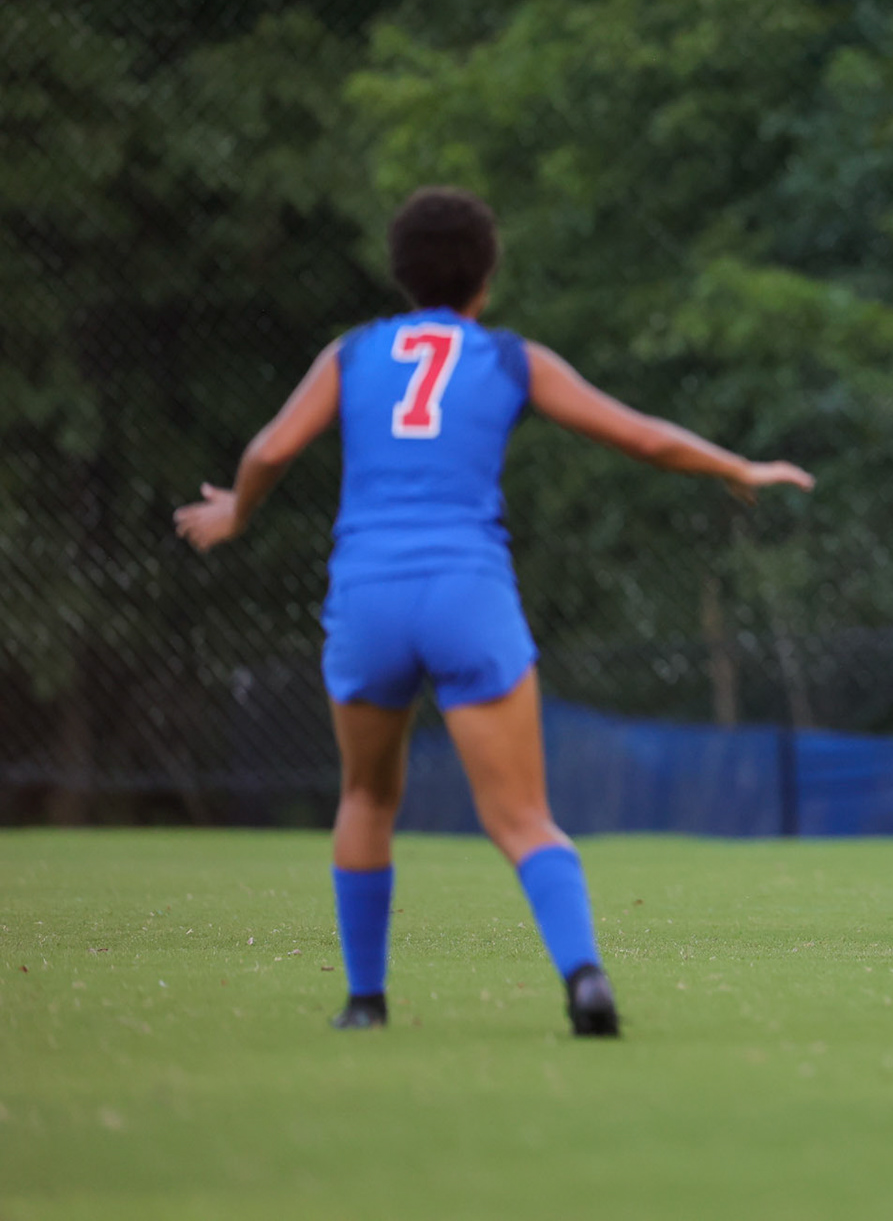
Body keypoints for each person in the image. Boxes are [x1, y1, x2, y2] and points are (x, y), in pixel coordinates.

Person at [174, 187, 814, 1034]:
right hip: (466, 595)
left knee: (366, 798)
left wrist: (234, 514)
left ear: (402, 274)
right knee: (520, 815)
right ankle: (583, 977)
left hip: (368, 593)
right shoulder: (510, 358)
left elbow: (268, 449)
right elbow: (640, 436)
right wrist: (736, 467)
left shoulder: (353, 354)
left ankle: (366, 1003)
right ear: (486, 276)